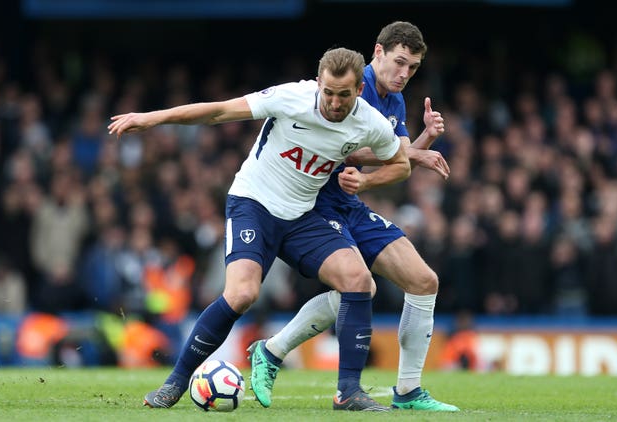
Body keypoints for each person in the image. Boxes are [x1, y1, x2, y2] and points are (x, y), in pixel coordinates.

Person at [108, 47, 411, 411]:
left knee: (358, 280)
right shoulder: (291, 98)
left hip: (302, 216)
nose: (333, 102)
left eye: (343, 95)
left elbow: (401, 163)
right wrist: (152, 119)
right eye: (327, 92)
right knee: (242, 294)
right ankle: (175, 382)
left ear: (358, 91)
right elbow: (219, 111)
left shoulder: (370, 122)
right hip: (253, 204)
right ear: (318, 82)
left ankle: (348, 391)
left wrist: (365, 182)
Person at [247, 21, 459, 412]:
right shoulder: (349, 85)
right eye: (399, 62)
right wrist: (414, 152)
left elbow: (397, 156)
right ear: (377, 53)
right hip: (315, 204)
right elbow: (350, 149)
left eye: (412, 68)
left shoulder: (393, 99)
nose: (404, 74)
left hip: (350, 202)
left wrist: (425, 140)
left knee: (424, 281)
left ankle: (408, 391)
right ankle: (276, 353)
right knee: (361, 287)